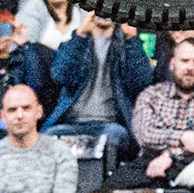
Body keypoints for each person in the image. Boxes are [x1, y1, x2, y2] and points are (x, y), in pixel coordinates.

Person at [109, 39, 194, 191]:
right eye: (184, 61)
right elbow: (144, 135)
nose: (190, 67)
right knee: (109, 187)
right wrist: (182, 137)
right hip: (149, 162)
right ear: (172, 63)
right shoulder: (151, 95)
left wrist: (168, 155)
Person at [43, 12, 153, 151]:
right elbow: (60, 75)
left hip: (110, 124)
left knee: (115, 135)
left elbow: (141, 82)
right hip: (72, 123)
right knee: (48, 137)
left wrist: (131, 39)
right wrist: (81, 35)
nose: (105, 12)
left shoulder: (125, 46)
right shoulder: (74, 42)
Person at [0, 87, 76, 193]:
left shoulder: (60, 153)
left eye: (26, 108)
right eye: (12, 110)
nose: (19, 116)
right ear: (3, 116)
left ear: (39, 111)